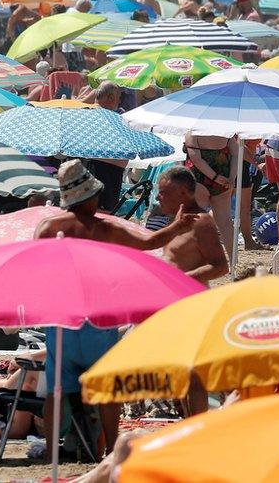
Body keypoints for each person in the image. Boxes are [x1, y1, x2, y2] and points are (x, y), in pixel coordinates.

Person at [34, 160, 195, 457]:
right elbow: (150, 242)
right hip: (97, 319)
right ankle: (109, 447)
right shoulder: (104, 228)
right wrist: (178, 226)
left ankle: (49, 450)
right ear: (89, 197)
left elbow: (40, 273)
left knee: (57, 390)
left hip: (61, 320)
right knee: (108, 390)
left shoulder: (47, 228)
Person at [155, 166, 229, 285]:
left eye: (163, 193)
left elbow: (220, 267)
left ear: (183, 192)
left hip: (188, 297)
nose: (157, 197)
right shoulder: (177, 220)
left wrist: (178, 280)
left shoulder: (200, 222)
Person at [184, 134, 239, 259]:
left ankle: (194, 258)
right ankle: (234, 262)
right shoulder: (226, 130)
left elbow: (196, 159)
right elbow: (236, 154)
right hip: (224, 174)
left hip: (200, 177)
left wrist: (214, 177)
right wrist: (232, 177)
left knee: (195, 220)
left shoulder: (193, 131)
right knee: (225, 222)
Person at [86, 82, 130, 212]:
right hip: (103, 173)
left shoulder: (87, 113)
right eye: (119, 97)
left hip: (101, 172)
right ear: (110, 97)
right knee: (101, 217)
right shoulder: (108, 118)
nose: (120, 101)